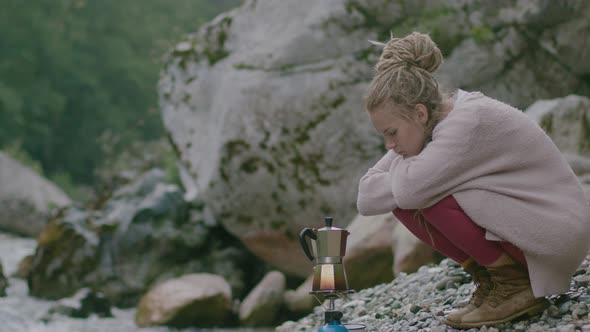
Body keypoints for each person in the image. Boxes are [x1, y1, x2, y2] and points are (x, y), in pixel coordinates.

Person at [356, 31, 590, 328]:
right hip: (535, 229)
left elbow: (411, 191)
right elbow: (366, 198)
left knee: (429, 200)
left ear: (419, 113)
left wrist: (403, 169)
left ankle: (514, 285)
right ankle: (493, 280)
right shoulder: (429, 125)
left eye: (392, 133)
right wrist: (407, 163)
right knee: (407, 203)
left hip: (557, 235)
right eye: (384, 136)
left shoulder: (466, 123)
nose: (390, 145)